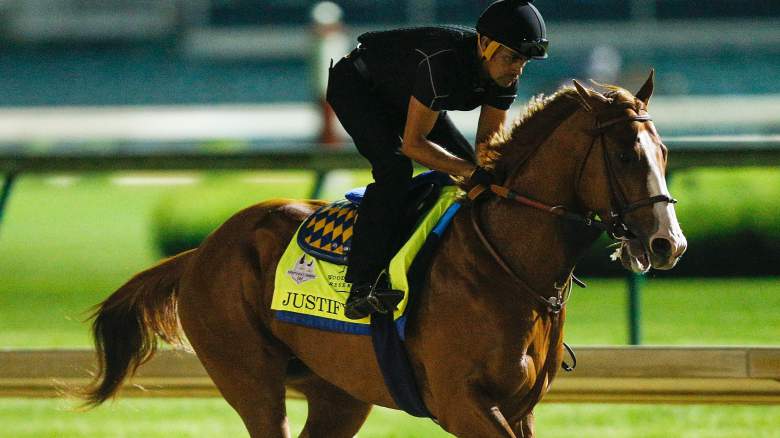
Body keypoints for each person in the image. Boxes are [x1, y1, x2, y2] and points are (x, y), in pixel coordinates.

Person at [325, 0, 549, 320]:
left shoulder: (505, 77)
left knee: (478, 170)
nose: (517, 69)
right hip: (358, 87)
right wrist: (470, 171)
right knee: (396, 171)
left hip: (405, 92)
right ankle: (361, 285)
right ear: (484, 45)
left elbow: (486, 151)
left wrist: (486, 173)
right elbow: (415, 146)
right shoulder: (444, 63)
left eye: (524, 61)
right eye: (512, 57)